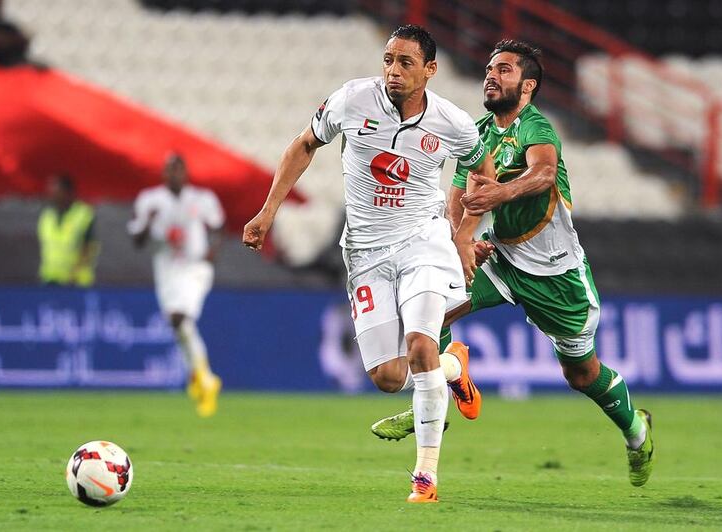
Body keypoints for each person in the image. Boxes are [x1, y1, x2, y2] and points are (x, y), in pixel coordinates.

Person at [372, 40, 655, 487]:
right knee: (429, 316)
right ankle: (438, 395)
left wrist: (500, 194)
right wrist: (461, 243)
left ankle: (637, 432)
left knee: (581, 374)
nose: (491, 75)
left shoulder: (537, 129)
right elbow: (461, 192)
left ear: (527, 86)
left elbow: (543, 173)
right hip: (502, 259)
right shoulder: (478, 130)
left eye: (503, 70)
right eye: (489, 68)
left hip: (556, 275)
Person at [243, 25, 497, 503]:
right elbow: (304, 145)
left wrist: (464, 236)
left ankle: (425, 478)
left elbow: (484, 174)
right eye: (388, 60)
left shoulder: (453, 122)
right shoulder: (352, 100)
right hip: (364, 252)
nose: (393, 71)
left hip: (423, 241)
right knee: (386, 377)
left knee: (420, 341)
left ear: (430, 70)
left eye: (405, 62)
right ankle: (452, 367)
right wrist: (268, 211)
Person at [128, 153, 224, 417]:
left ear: (186, 173)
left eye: (179, 169)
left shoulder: (202, 199)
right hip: (166, 269)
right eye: (170, 170)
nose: (175, 174)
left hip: (195, 267)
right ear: (164, 174)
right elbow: (136, 240)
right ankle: (198, 376)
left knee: (180, 318)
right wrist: (148, 221)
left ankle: (206, 378)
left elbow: (219, 227)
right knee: (177, 324)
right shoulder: (150, 200)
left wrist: (212, 252)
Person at [38, 173, 98, 287]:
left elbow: (89, 247)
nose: (52, 195)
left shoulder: (83, 214)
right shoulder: (47, 216)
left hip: (76, 282)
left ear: (68, 192)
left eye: (57, 191)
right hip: (50, 279)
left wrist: (75, 274)